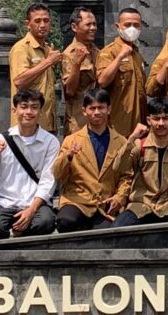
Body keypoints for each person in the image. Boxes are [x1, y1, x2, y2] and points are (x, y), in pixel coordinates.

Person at [0, 89, 60, 239]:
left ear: (40, 111)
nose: (29, 112)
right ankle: (17, 227)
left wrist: (31, 210)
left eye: (34, 107)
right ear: (15, 110)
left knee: (46, 223)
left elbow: (48, 181)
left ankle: (21, 228)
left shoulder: (50, 142)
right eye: (24, 106)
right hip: (3, 203)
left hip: (34, 203)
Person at [52, 88, 132, 232]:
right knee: (65, 221)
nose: (96, 112)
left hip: (104, 203)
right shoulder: (71, 140)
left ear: (109, 109)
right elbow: (58, 174)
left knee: (109, 232)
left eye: (101, 107)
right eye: (92, 108)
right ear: (84, 111)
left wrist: (119, 198)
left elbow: (126, 176)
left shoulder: (120, 142)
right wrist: (68, 156)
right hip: (78, 201)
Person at [110, 97, 168, 227]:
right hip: (140, 204)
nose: (161, 123)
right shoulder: (139, 146)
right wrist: (131, 139)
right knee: (118, 228)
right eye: (156, 118)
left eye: (166, 118)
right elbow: (118, 168)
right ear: (149, 120)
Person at [9, 3, 62, 133]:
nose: (43, 25)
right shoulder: (21, 48)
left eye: (46, 21)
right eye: (37, 21)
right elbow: (19, 81)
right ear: (28, 24)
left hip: (47, 122)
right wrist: (48, 62)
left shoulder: (48, 48)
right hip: (27, 124)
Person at [96, 7, 147, 138]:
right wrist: (119, 57)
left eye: (136, 25)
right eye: (127, 24)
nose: (132, 28)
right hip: (117, 124)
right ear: (118, 26)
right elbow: (102, 80)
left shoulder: (137, 55)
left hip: (138, 124)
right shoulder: (109, 52)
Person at [61, 7, 101, 134]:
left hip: (99, 117)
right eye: (88, 24)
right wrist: (77, 63)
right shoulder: (69, 54)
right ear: (74, 27)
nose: (93, 28)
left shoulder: (98, 52)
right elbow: (70, 91)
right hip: (78, 120)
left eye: (94, 24)